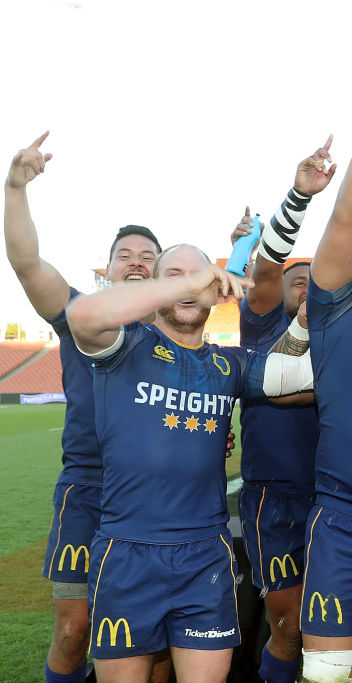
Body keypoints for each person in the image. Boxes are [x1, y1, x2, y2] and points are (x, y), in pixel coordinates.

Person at [65, 244, 313, 682]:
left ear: (215, 289)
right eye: (175, 274)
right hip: (127, 556)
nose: (189, 283)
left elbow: (292, 374)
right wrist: (185, 283)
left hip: (204, 559)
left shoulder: (227, 364)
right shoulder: (127, 346)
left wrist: (305, 325)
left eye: (199, 275)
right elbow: (82, 315)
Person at [4, 131, 170, 683]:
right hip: (89, 488)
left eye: (149, 257)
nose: (137, 262)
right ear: (108, 268)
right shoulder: (79, 315)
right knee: (74, 631)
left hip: (159, 497)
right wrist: (15, 188)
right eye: (126, 255)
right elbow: (27, 263)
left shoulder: (181, 338)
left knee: (159, 640)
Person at [227, 139, 335, 682]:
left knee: (336, 631)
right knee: (288, 626)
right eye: (299, 279)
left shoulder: (339, 342)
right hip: (274, 495)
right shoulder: (263, 323)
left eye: (316, 283)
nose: (307, 286)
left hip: (337, 498)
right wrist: (298, 196)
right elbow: (268, 262)